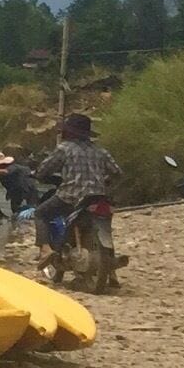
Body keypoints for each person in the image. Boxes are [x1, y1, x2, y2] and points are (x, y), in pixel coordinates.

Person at [32, 113, 123, 278]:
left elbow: (44, 170)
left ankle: (45, 250)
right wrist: (104, 182)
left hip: (71, 196)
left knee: (40, 213)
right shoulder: (100, 151)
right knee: (104, 228)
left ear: (70, 132)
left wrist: (39, 175)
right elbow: (117, 172)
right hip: (98, 197)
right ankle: (112, 273)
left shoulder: (64, 149)